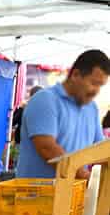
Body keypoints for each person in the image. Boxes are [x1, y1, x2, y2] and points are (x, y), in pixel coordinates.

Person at [16, 50, 110, 180]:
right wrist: (85, 177)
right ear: (76, 75)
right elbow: (47, 148)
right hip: (37, 196)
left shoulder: (91, 108)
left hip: (74, 193)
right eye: (94, 83)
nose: (96, 91)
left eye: (101, 86)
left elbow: (100, 149)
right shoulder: (45, 100)